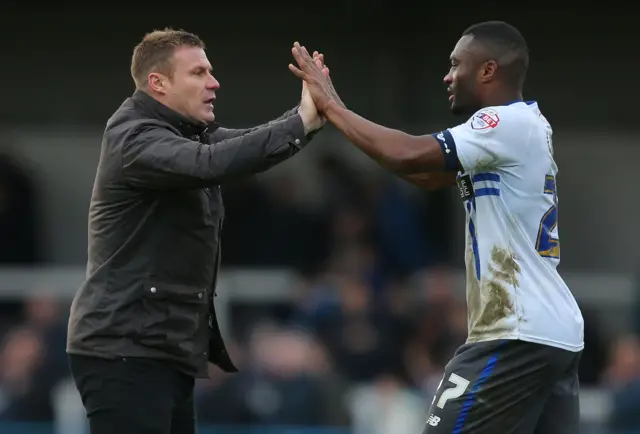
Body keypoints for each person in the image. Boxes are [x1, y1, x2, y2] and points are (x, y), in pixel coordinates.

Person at [289, 21, 584, 434]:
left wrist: (332, 106)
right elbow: (425, 174)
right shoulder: (524, 127)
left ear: (487, 70)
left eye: (455, 65)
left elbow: (408, 155)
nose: (447, 76)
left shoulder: (504, 124)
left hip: (515, 332)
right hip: (553, 335)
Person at [66, 28, 326, 434]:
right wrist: (303, 121)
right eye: (199, 72)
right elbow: (212, 162)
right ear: (159, 83)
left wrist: (305, 117)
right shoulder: (134, 137)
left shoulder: (184, 133)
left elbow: (241, 146)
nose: (214, 82)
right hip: (124, 349)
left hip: (159, 350)